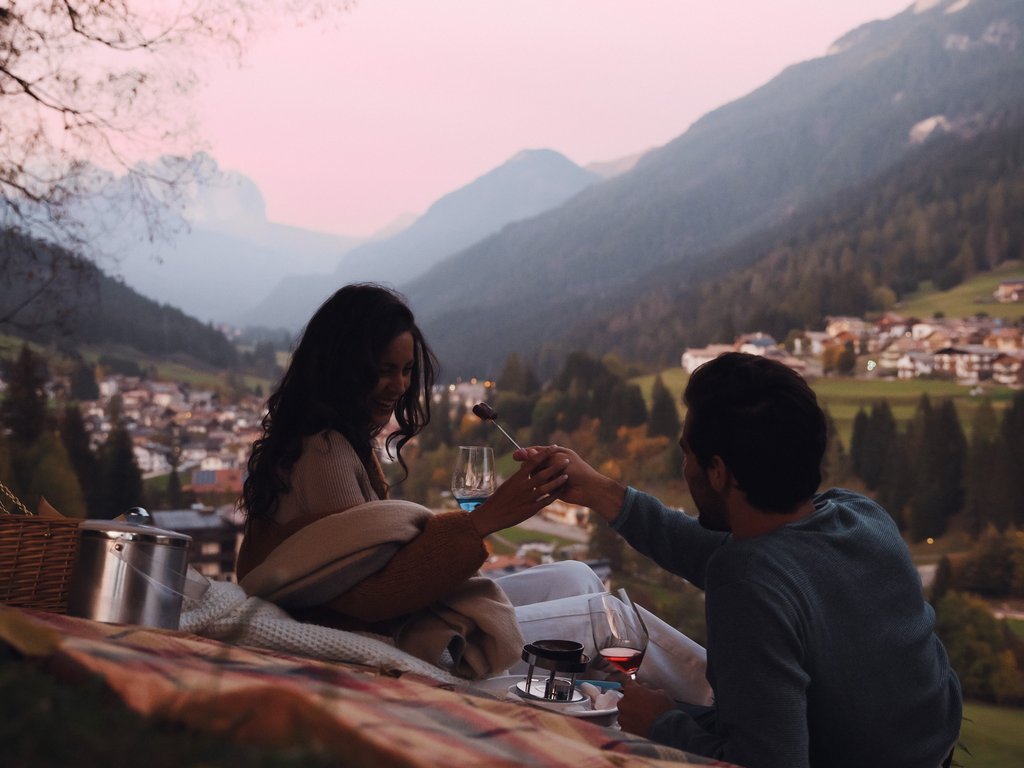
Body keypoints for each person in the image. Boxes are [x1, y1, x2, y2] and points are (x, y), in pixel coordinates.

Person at [531, 352, 961, 768]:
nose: (685, 466)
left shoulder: (747, 583)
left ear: (718, 471)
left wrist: (660, 724)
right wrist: (602, 493)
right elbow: (716, 553)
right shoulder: (859, 515)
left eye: (687, 454)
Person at [235, 283, 575, 679]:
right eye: (383, 370)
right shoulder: (323, 453)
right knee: (606, 618)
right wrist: (484, 521)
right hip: (400, 637)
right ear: (342, 367)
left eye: (407, 370)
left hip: (408, 617)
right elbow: (366, 596)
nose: (399, 386)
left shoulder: (340, 440)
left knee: (574, 575)